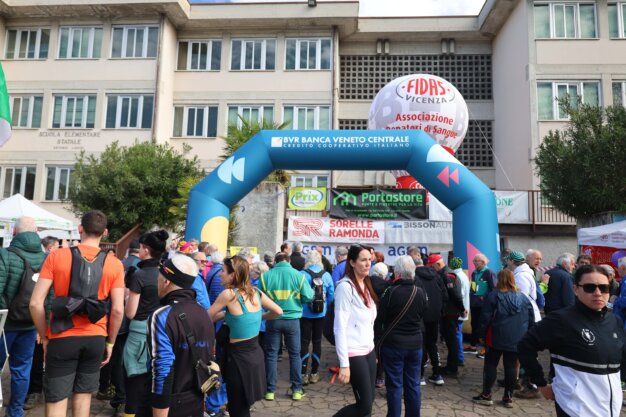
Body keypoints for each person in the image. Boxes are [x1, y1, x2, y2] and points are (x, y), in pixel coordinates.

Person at [29, 210, 125, 417]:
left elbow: (35, 303)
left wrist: (44, 336)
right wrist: (110, 343)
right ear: (105, 232)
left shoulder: (56, 256)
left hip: (62, 336)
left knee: (56, 398)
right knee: (83, 396)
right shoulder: (115, 264)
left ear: (80, 228)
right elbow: (118, 310)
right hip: (96, 337)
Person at [518, 265, 626, 417]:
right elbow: (525, 346)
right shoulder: (561, 320)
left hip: (610, 409)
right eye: (589, 288)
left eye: (603, 288)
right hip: (575, 408)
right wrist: (540, 383)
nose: (598, 293)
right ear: (576, 289)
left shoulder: (614, 321)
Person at [208, 256, 282, 417]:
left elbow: (206, 317)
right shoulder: (256, 292)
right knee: (242, 405)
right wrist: (256, 318)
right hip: (255, 355)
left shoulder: (228, 294)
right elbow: (278, 311)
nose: (220, 274)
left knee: (237, 409)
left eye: (223, 271)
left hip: (237, 359)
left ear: (233, 275)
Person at [147, 255, 215, 417]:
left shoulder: (161, 315)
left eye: (158, 278)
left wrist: (159, 412)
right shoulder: (203, 313)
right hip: (196, 399)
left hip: (169, 404)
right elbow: (209, 355)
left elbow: (163, 368)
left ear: (166, 281)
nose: (157, 282)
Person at [0, 217, 47, 417]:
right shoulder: (45, 258)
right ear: (36, 233)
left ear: (14, 232)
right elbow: (49, 296)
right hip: (30, 324)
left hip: (5, 325)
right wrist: (43, 326)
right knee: (22, 369)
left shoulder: (5, 255)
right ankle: (16, 411)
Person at [472, 269, 534, 408]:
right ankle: (508, 397)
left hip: (495, 336)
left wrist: (480, 335)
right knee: (511, 366)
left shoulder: (493, 296)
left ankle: (486, 395)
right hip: (517, 337)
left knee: (490, 365)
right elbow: (531, 319)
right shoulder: (523, 297)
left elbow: (485, 317)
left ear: (499, 280)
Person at [123, 229, 169, 417]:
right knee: (156, 379)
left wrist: (127, 298)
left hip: (139, 334)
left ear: (146, 250)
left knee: (134, 381)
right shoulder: (166, 274)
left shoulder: (139, 275)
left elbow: (130, 312)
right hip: (162, 332)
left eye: (141, 248)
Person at [259, 252, 314, 400]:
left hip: (273, 319)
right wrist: (297, 302)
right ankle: (297, 390)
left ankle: (270, 391)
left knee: (271, 355)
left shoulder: (266, 276)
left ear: (275, 262)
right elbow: (309, 296)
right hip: (292, 320)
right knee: (295, 355)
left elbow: (259, 297)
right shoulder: (299, 276)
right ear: (289, 261)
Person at [378, 255, 428, 417]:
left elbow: (380, 318)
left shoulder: (390, 291)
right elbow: (423, 314)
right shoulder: (420, 292)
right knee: (413, 385)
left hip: (393, 345)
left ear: (397, 273)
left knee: (394, 386)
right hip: (415, 344)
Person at [333, 245, 378, 417]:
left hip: (369, 351)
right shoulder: (345, 287)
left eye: (369, 260)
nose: (367, 264)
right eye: (363, 260)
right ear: (352, 262)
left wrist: (372, 350)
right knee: (364, 406)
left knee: (369, 402)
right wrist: (344, 364)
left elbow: (369, 323)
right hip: (353, 353)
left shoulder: (366, 283)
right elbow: (339, 327)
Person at [300, 250, 335, 385]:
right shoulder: (326, 275)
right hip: (320, 314)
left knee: (304, 342)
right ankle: (314, 373)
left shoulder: (302, 274)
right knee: (317, 342)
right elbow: (331, 295)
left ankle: (303, 374)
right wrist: (324, 307)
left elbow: (297, 293)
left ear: (307, 261)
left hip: (305, 314)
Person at [429, 254, 465, 376]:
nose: (432, 269)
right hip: (448, 312)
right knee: (450, 340)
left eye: (432, 266)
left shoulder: (447, 275)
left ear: (438, 264)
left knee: (452, 340)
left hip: (450, 312)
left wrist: (461, 308)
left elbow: (455, 294)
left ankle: (452, 368)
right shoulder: (444, 273)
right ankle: (451, 366)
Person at [414, 256, 447, 385]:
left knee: (421, 345)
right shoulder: (436, 276)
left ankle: (420, 375)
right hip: (435, 316)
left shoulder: (415, 277)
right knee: (432, 344)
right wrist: (440, 311)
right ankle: (437, 374)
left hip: (421, 317)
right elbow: (445, 296)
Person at [466, 253, 496, 355]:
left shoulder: (489, 272)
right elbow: (473, 287)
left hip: (484, 305)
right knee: (474, 324)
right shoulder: (474, 273)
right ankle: (473, 346)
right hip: (474, 303)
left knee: (484, 325)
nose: (474, 263)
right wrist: (471, 295)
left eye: (476, 261)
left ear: (483, 262)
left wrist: (485, 296)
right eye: (473, 261)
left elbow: (493, 288)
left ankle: (485, 348)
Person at [448, 257, 470, 368]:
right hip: (463, 309)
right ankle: (459, 357)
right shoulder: (463, 275)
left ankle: (459, 358)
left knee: (457, 335)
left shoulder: (457, 277)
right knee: (458, 334)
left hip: (458, 311)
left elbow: (458, 295)